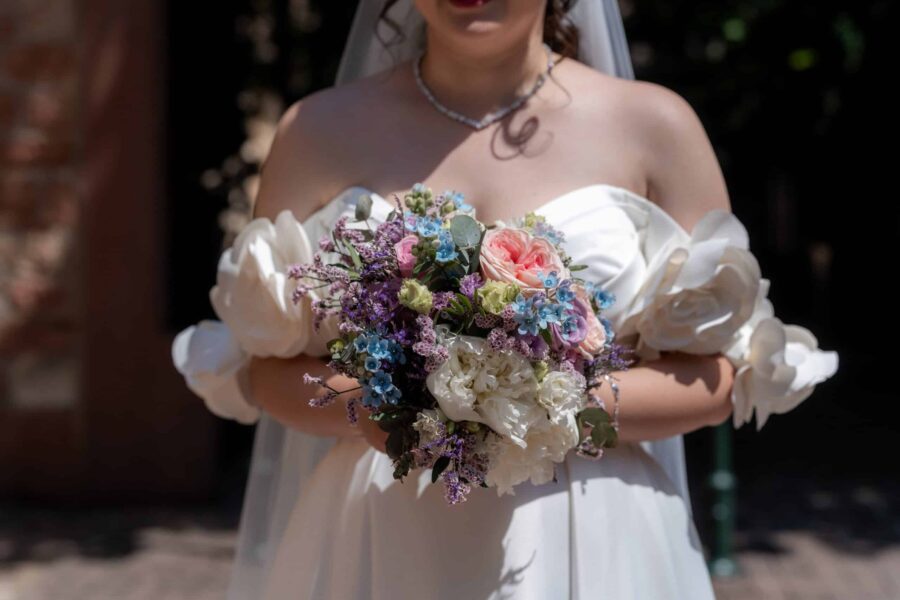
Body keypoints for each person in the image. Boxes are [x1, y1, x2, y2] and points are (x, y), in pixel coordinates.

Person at [171, 0, 839, 598]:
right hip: (380, 527)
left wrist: (539, 406)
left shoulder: (654, 125)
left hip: (595, 532)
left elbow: (720, 376)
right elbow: (266, 370)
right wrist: (381, 409)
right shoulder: (315, 131)